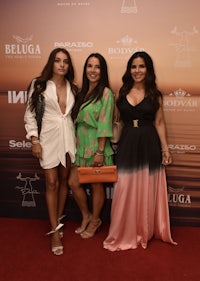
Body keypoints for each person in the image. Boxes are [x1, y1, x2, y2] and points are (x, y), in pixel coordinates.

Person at [103, 51, 177, 251]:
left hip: (149, 143)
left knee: (146, 188)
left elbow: (159, 122)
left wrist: (165, 149)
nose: (137, 70)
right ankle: (123, 230)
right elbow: (115, 122)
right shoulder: (121, 92)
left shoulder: (155, 95)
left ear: (148, 69)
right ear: (130, 70)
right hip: (127, 143)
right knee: (125, 187)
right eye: (134, 66)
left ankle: (144, 230)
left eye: (141, 66)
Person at [24, 48, 77, 255]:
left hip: (68, 138)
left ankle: (59, 220)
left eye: (65, 61)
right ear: (51, 63)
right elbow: (30, 115)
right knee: (52, 182)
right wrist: (34, 140)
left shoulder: (73, 88)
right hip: (47, 138)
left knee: (64, 182)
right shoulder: (38, 85)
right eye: (57, 60)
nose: (62, 64)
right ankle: (55, 232)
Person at [68, 53, 114, 238]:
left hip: (96, 146)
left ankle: (95, 220)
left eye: (97, 67)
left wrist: (100, 152)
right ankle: (86, 215)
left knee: (96, 186)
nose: (92, 70)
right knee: (73, 182)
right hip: (81, 147)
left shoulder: (106, 93)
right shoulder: (81, 93)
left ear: (102, 71)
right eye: (89, 66)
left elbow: (104, 123)